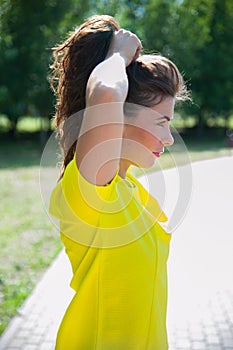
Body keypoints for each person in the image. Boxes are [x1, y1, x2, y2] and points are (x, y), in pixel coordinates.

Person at [49, 14, 189, 350]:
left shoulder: (133, 193)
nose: (169, 138)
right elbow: (108, 92)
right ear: (117, 120)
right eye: (160, 122)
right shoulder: (93, 189)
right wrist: (118, 55)